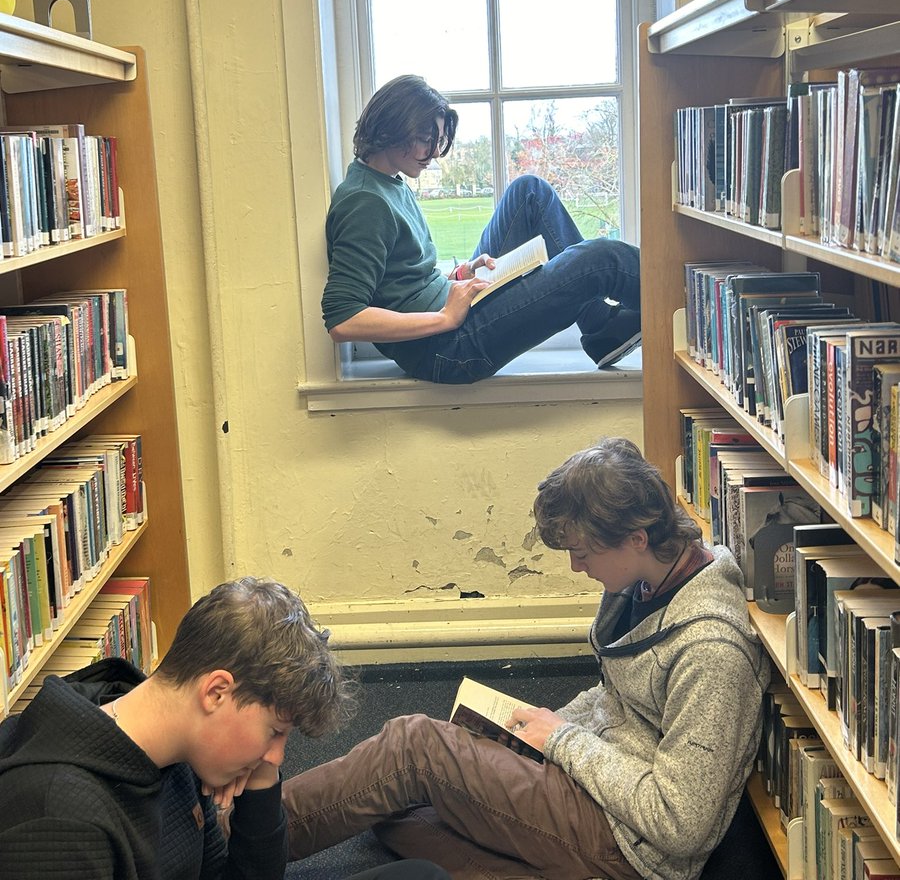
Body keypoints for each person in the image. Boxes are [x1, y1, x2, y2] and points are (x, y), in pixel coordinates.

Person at [281, 438, 771, 880]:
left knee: (413, 750)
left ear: (636, 539)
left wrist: (559, 739)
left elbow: (680, 823)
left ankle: (242, 840)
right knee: (395, 812)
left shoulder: (712, 653)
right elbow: (620, 692)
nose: (576, 566)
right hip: (593, 779)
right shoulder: (647, 578)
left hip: (625, 840)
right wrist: (540, 732)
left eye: (581, 552)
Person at [0, 576, 450, 880]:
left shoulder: (166, 745)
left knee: (421, 875)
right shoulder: (59, 817)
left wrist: (260, 779)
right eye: (275, 731)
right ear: (216, 692)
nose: (277, 756)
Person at [322, 75, 641, 383]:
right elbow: (343, 319)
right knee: (602, 260)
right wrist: (445, 318)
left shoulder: (389, 182)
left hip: (448, 311)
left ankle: (600, 326)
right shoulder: (365, 202)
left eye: (438, 141)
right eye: (425, 140)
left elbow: (401, 281)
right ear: (392, 129)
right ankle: (683, 303)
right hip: (446, 349)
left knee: (529, 192)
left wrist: (460, 275)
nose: (434, 153)